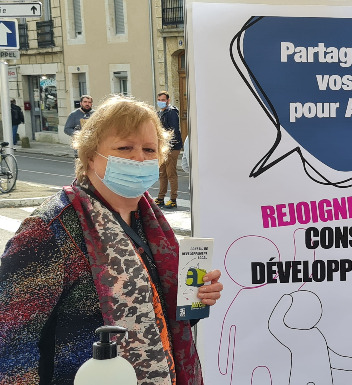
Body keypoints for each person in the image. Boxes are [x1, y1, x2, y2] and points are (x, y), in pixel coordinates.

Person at [0, 96, 223, 384]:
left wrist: (194, 298)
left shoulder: (151, 224)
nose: (139, 158)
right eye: (124, 148)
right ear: (90, 155)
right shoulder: (49, 229)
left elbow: (162, 318)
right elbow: (10, 343)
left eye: (149, 149)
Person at [155, 91, 183, 209]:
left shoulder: (171, 112)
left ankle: (173, 200)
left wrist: (169, 144)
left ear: (168, 100)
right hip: (162, 147)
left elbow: (174, 130)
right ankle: (160, 198)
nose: (161, 102)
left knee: (171, 173)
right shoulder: (159, 113)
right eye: (159, 100)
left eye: (163, 100)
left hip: (172, 147)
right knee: (162, 174)